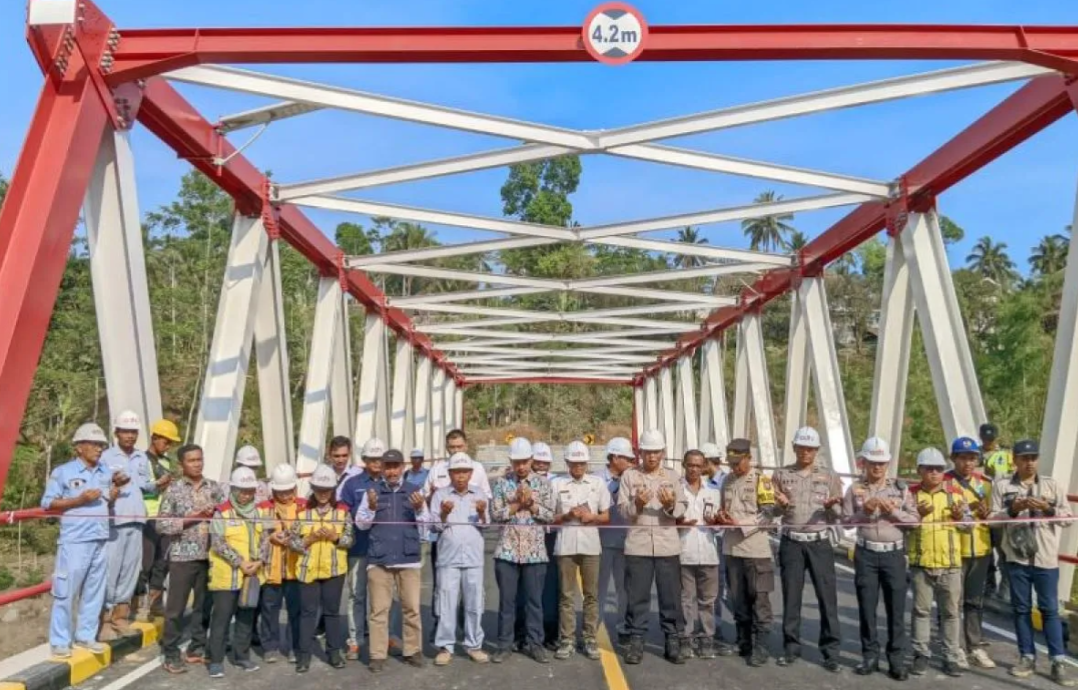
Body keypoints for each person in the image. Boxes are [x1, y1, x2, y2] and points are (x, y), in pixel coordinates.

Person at [992, 439, 1075, 686]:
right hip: (1017, 557)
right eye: (1025, 458)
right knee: (1021, 609)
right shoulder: (1002, 485)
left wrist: (1049, 509)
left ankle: (1057, 660)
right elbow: (992, 520)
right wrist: (1014, 510)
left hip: (1045, 559)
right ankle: (1026, 656)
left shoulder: (1050, 485)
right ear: (1015, 460)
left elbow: (1068, 518)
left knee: (1050, 610)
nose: (1030, 463)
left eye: (1033, 458)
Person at [772, 427, 843, 671]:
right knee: (791, 597)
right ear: (794, 448)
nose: (806, 452)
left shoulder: (830, 476)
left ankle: (831, 652)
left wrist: (833, 507)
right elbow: (773, 511)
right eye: (802, 447)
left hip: (818, 542)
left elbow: (839, 515)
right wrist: (779, 506)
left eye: (811, 448)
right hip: (791, 541)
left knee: (827, 598)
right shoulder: (781, 475)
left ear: (816, 450)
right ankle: (791, 648)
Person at [844, 437, 914, 680]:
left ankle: (896, 659)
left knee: (896, 609)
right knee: (867, 606)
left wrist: (891, 511)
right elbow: (845, 523)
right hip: (866, 554)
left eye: (882, 463)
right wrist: (864, 511)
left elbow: (914, 521)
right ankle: (870, 656)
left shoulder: (901, 489)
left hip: (893, 554)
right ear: (863, 462)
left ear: (888, 463)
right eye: (872, 462)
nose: (877, 467)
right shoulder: (854, 490)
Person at [42, 423, 115, 658]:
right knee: (66, 591)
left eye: (102, 445)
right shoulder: (63, 472)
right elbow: (48, 503)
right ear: (79, 447)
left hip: (100, 536)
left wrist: (113, 494)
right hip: (75, 540)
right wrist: (78, 501)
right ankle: (60, 640)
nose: (99, 449)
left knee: (95, 590)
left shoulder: (105, 472)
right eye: (94, 444)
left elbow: (106, 502)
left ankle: (85, 635)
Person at [355, 449, 430, 672]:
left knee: (411, 608)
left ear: (402, 468)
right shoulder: (372, 492)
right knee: (378, 610)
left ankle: (413, 650)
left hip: (408, 559)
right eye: (388, 467)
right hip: (380, 560)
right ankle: (378, 654)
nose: (392, 471)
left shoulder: (415, 492)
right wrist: (369, 508)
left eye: (396, 466)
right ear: (383, 469)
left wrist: (418, 509)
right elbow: (361, 524)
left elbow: (426, 528)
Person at [619, 429, 688, 665]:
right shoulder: (629, 476)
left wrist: (669, 506)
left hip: (667, 545)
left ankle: (672, 640)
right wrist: (637, 504)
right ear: (640, 453)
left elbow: (681, 509)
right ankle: (636, 640)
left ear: (663, 452)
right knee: (637, 597)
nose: (652, 457)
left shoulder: (672, 476)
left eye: (656, 452)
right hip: (638, 545)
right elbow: (622, 510)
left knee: (670, 597)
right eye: (647, 452)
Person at [157, 444, 226, 673]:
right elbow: (162, 524)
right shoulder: (174, 490)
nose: (197, 464)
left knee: (204, 606)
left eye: (199, 459)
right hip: (182, 557)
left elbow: (227, 515)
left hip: (211, 555)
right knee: (175, 610)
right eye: (191, 460)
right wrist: (193, 518)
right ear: (181, 464)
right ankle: (171, 653)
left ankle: (196, 648)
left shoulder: (215, 488)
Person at [490, 437, 555, 664]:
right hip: (507, 551)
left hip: (535, 552)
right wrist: (516, 505)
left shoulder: (544, 484)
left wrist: (532, 505)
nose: (521, 467)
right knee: (507, 602)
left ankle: (535, 643)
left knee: (534, 601)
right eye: (517, 462)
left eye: (525, 461)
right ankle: (505, 644)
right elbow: (495, 515)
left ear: (531, 460)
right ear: (511, 461)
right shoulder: (501, 483)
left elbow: (550, 515)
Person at [423, 430, 490, 643]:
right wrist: (443, 513)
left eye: (464, 471)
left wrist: (481, 512)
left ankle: (473, 644)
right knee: (446, 602)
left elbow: (487, 523)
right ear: (449, 473)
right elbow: (433, 525)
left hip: (473, 556)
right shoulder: (440, 493)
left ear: (470, 473)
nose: (460, 475)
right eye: (456, 472)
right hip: (448, 556)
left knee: (474, 603)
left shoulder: (479, 491)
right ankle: (445, 646)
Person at [715, 438, 777, 667]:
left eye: (738, 462)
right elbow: (724, 508)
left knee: (759, 599)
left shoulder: (761, 480)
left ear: (749, 458)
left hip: (756, 550)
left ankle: (761, 646)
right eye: (731, 463)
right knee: (738, 599)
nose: (734, 467)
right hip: (732, 549)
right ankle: (744, 642)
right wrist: (721, 518)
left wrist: (740, 523)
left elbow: (768, 514)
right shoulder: (727, 481)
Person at [907, 447, 968, 678]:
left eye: (939, 469)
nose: (934, 473)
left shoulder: (956, 495)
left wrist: (960, 517)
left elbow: (968, 527)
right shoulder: (910, 495)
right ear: (919, 470)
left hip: (951, 564)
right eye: (929, 468)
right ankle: (921, 654)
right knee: (921, 611)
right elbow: (903, 525)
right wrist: (918, 516)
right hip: (922, 563)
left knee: (951, 612)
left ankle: (951, 656)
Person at [290, 464, 354, 673]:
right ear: (313, 489)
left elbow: (349, 540)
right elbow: (293, 543)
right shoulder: (302, 513)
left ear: (333, 490)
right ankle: (304, 656)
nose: (323, 494)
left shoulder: (343, 513)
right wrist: (309, 539)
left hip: (334, 570)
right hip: (308, 570)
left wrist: (335, 537)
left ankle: (334, 653)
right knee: (307, 613)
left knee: (332, 612)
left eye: (327, 490)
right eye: (319, 489)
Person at [551, 440, 611, 661]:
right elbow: (550, 517)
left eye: (582, 463)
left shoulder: (597, 483)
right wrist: (567, 516)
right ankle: (566, 639)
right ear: (567, 462)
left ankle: (590, 638)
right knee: (566, 596)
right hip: (565, 545)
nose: (578, 467)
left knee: (591, 595)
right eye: (574, 463)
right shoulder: (557, 484)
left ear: (587, 463)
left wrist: (591, 517)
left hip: (590, 546)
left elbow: (606, 515)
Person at [206, 467, 267, 678]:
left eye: (249, 491)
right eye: (242, 490)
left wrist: (259, 561)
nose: (246, 495)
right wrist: (240, 563)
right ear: (233, 489)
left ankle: (242, 656)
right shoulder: (221, 512)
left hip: (251, 576)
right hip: (227, 576)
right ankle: (215, 660)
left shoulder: (259, 512)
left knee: (246, 617)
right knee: (221, 619)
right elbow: (218, 543)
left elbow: (265, 540)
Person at [99, 410, 152, 641]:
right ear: (117, 433)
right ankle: (104, 621)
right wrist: (112, 481)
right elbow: (97, 484)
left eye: (133, 432)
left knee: (131, 570)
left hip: (137, 519)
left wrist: (157, 483)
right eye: (125, 431)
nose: (130, 436)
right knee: (110, 570)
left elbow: (145, 485)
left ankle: (121, 617)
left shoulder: (142, 457)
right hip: (115, 520)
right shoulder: (105, 457)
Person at [944, 436, 996, 669]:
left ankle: (974, 646)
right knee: (951, 602)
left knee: (974, 601)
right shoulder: (944, 482)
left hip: (981, 548)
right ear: (954, 458)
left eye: (972, 458)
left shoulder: (985, 483)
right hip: (954, 549)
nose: (968, 463)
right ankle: (953, 647)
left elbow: (995, 515)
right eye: (963, 458)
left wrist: (986, 514)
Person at [336, 437, 385, 660]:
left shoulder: (391, 482)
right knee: (357, 594)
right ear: (364, 460)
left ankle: (384, 637)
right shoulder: (352, 484)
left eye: (380, 459)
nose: (376, 463)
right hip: (358, 548)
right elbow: (342, 514)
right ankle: (355, 640)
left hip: (384, 549)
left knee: (383, 596)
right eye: (372, 459)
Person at [677, 448, 725, 660]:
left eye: (698, 465)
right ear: (684, 465)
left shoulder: (713, 492)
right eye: (690, 465)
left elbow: (719, 526)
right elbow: (668, 521)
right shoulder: (676, 490)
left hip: (707, 552)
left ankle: (707, 638)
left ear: (705, 466)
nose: (694, 469)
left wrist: (717, 523)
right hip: (683, 551)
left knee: (707, 600)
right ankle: (686, 638)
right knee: (686, 599)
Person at [258, 464, 305, 664]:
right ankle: (270, 647)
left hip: (295, 569)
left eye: (288, 491)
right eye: (280, 491)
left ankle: (295, 646)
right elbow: (256, 534)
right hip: (271, 568)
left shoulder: (303, 507)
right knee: (269, 609)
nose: (285, 495)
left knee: (296, 610)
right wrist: (271, 539)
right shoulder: (263, 509)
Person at [136, 419, 180, 623]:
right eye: (166, 441)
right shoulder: (141, 460)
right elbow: (139, 488)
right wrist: (157, 485)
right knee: (145, 562)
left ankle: (156, 603)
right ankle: (136, 604)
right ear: (154, 438)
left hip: (165, 517)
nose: (168, 445)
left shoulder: (166, 462)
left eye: (171, 442)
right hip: (148, 516)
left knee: (163, 562)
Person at [596, 437, 635, 648]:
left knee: (624, 589)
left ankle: (622, 628)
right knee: (598, 589)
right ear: (615, 457)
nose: (630, 462)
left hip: (626, 541)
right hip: (601, 542)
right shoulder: (596, 480)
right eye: (626, 458)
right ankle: (594, 628)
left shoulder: (631, 480)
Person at [701, 441, 733, 648]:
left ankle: (717, 627)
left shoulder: (724, 483)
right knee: (713, 586)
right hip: (712, 539)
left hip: (724, 539)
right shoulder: (707, 482)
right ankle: (713, 626)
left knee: (722, 587)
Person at [980, 423, 1014, 601]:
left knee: (1004, 552)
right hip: (981, 510)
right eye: (985, 439)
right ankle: (988, 585)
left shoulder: (1006, 456)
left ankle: (1004, 592)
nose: (988, 443)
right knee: (984, 552)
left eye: (991, 439)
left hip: (999, 510)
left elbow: (1014, 479)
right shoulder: (973, 456)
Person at [530, 440, 559, 647]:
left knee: (550, 587)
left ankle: (550, 633)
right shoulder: (522, 481)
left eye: (544, 462)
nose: (541, 466)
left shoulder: (557, 482)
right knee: (530, 589)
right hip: (530, 537)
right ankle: (526, 633)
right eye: (537, 462)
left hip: (550, 538)